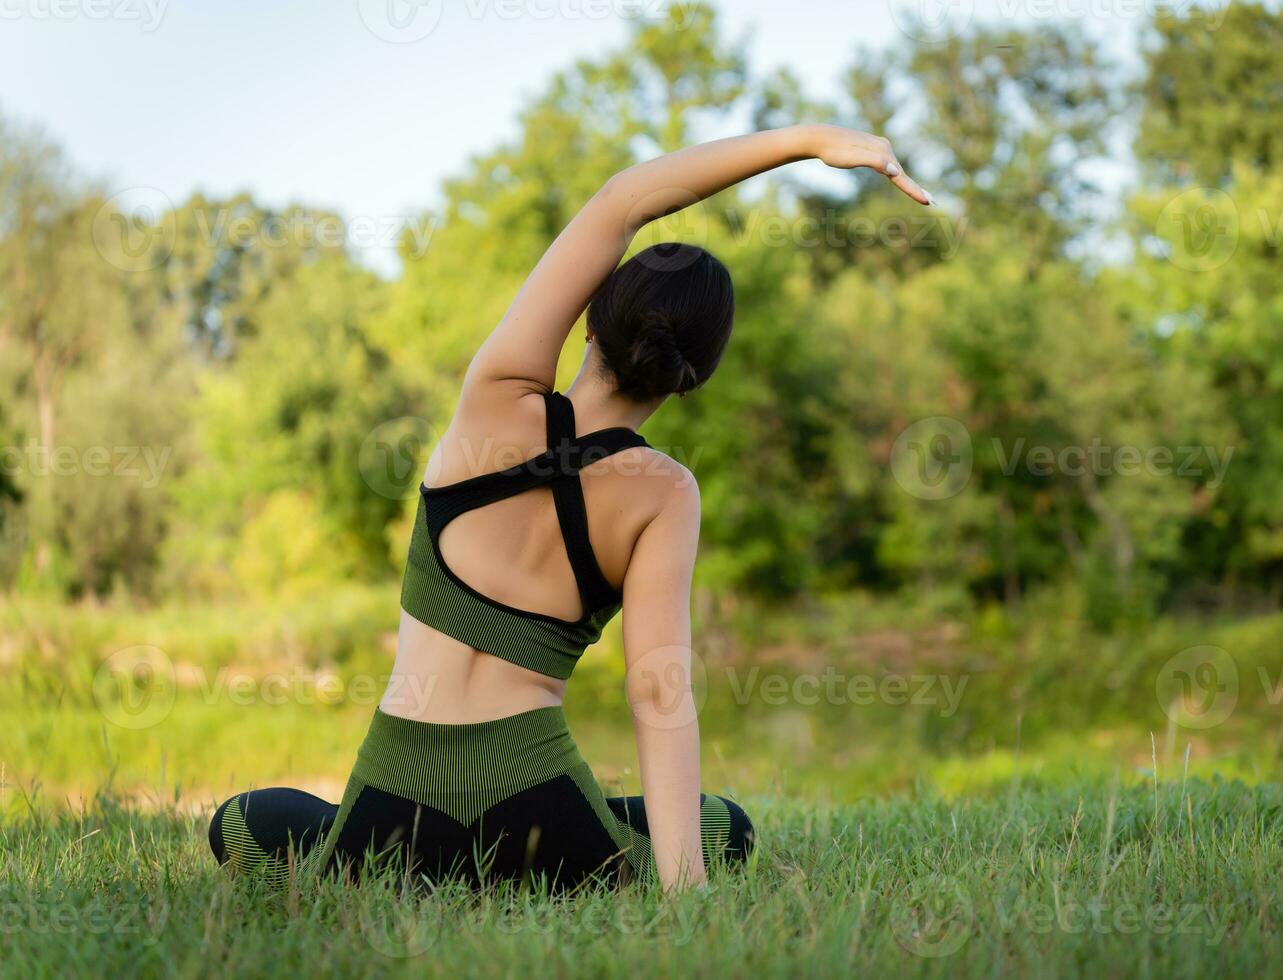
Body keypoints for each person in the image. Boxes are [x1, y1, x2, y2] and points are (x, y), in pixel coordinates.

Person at [208, 124, 932, 893]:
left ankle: (390, 868)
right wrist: (683, 891)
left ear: (590, 321)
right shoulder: (664, 494)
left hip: (395, 808)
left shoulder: (491, 403)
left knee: (242, 821)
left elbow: (623, 203)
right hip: (540, 816)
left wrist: (808, 139)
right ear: (693, 378)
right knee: (726, 828)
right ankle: (541, 874)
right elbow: (660, 690)